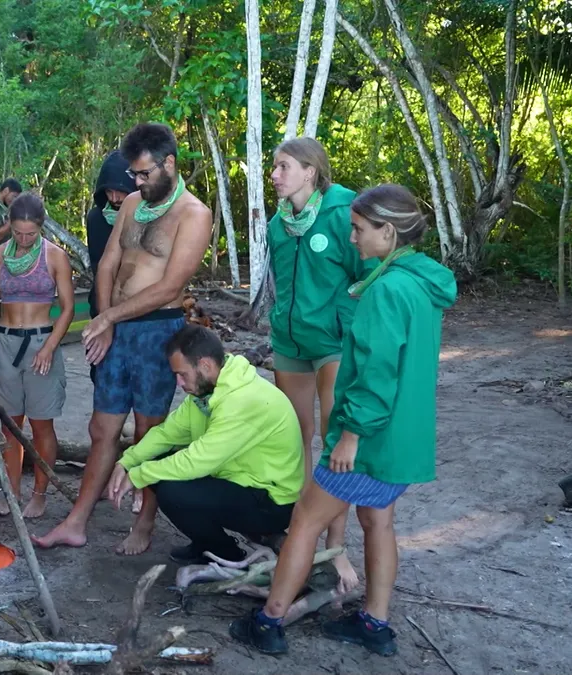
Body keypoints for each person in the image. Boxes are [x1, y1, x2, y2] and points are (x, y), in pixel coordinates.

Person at [230, 184, 457, 657]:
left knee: (306, 520)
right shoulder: (421, 283)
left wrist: (350, 434)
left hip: (369, 440)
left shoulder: (386, 290)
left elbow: (376, 376)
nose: (351, 239)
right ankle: (375, 624)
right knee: (379, 522)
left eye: (358, 230)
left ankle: (269, 620)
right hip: (402, 439)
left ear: (387, 233)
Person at [35, 123, 213, 555]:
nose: (135, 183)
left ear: (168, 164)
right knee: (102, 428)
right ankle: (77, 521)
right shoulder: (133, 203)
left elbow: (172, 287)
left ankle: (145, 522)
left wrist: (109, 316)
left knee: (148, 432)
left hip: (159, 331)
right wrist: (107, 321)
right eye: (133, 174)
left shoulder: (194, 214)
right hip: (116, 330)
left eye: (143, 174)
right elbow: (109, 262)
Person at [105, 324, 302, 564]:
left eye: (182, 374)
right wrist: (127, 462)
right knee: (157, 464)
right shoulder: (205, 394)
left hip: (270, 500)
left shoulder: (242, 399)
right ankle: (208, 543)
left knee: (172, 491)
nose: (178, 382)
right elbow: (166, 433)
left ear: (205, 365)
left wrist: (138, 475)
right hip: (236, 479)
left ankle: (223, 552)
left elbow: (198, 461)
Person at [266, 137, 367, 589]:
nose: (275, 175)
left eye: (284, 167)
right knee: (295, 437)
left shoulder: (345, 211)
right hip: (289, 342)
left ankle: (336, 544)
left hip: (332, 344)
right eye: (274, 168)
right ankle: (300, 528)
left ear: (311, 171)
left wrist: (348, 324)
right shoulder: (277, 223)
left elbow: (369, 274)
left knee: (333, 441)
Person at [0, 192, 75, 518]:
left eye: (30, 234)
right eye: (18, 233)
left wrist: (49, 347)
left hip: (40, 344)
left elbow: (67, 309)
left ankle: (39, 493)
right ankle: (12, 490)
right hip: (5, 343)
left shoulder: (54, 257)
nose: (23, 240)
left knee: (41, 424)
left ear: (41, 227)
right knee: (9, 426)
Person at [84, 150, 137, 383]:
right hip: (102, 310)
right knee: (104, 385)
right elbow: (99, 268)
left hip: (138, 317)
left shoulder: (148, 218)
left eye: (121, 191)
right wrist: (104, 318)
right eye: (108, 191)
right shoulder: (96, 219)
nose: (115, 198)